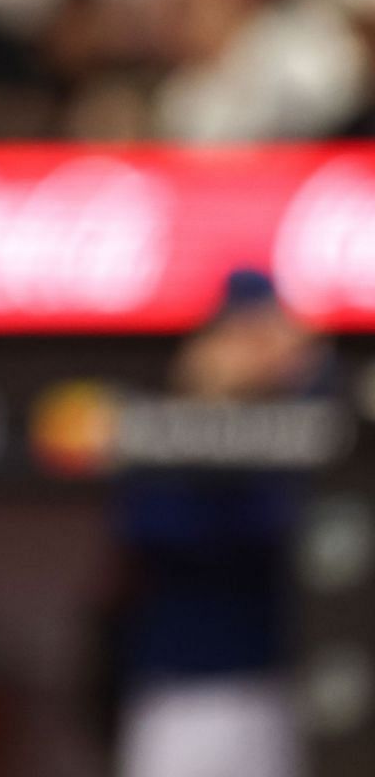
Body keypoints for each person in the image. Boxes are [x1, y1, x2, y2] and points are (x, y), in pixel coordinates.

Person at [112, 268, 326, 777]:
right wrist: (210, 405)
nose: (247, 352)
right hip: (178, 686)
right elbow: (147, 528)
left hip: (274, 685)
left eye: (260, 336)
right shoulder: (174, 417)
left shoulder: (300, 416)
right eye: (236, 335)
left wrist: (303, 373)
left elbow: (294, 526)